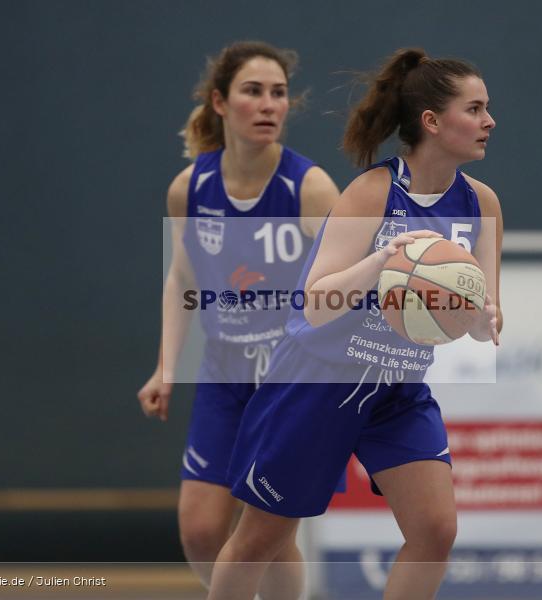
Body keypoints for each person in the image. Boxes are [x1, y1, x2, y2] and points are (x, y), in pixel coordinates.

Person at [206, 47, 503, 600]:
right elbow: (315, 302)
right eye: (476, 108)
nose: (489, 121)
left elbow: (483, 321)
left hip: (398, 388)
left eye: (488, 108)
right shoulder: (372, 192)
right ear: (432, 122)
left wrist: (483, 320)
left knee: (436, 530)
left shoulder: (481, 204)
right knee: (259, 541)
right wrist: (382, 262)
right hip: (318, 382)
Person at [136, 41, 339, 599]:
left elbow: (349, 286)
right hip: (225, 375)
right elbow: (183, 281)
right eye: (254, 91)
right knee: (202, 534)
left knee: (264, 537)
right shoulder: (191, 189)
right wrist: (165, 367)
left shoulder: (309, 188)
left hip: (290, 383)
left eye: (279, 93)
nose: (270, 104)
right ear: (220, 103)